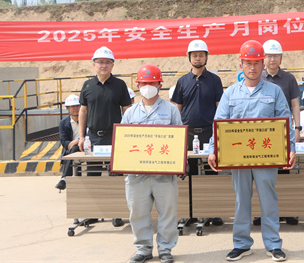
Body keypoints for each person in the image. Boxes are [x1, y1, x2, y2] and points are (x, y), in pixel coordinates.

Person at [208, 40, 296, 262]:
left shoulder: (275, 91)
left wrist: (291, 148)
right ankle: (241, 244)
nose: (253, 67)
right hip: (238, 158)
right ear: (241, 65)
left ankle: (273, 244)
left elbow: (285, 121)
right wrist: (213, 149)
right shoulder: (231, 93)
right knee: (241, 201)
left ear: (263, 64)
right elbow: (219, 123)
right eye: (248, 63)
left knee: (268, 200)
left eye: (257, 63)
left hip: (267, 157)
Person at [122, 64, 183, 263]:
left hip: (164, 174)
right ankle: (143, 248)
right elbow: (123, 142)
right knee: (137, 213)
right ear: (138, 85)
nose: (148, 86)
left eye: (152, 82)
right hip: (136, 175)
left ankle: (165, 249)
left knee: (168, 213)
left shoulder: (171, 110)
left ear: (159, 85)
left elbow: (179, 140)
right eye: (144, 83)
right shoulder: (130, 113)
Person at [171, 39, 223, 176]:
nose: (198, 58)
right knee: (190, 171)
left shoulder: (215, 80)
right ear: (189, 57)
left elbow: (219, 107)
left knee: (211, 168)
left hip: (209, 133)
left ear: (206, 57)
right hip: (188, 133)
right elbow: (177, 107)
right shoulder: (182, 81)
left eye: (201, 55)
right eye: (194, 55)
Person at [78, 46, 132, 175]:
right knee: (93, 174)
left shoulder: (120, 85)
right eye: (100, 62)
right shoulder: (87, 85)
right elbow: (83, 111)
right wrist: (81, 137)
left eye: (108, 62)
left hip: (114, 136)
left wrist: (127, 134)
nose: (104, 65)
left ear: (112, 65)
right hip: (93, 137)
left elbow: (127, 110)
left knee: (115, 173)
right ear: (94, 64)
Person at [261, 40, 302, 141]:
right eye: (269, 56)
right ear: (263, 58)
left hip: (284, 128)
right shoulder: (258, 79)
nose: (272, 59)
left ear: (281, 58)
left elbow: (295, 105)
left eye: (276, 56)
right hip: (263, 128)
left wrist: (297, 128)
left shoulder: (289, 78)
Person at [55, 94, 82, 190]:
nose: (76, 108)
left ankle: (64, 178)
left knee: (74, 149)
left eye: (78, 106)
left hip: (86, 147)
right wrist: (72, 144)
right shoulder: (63, 123)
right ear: (67, 109)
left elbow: (90, 135)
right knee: (74, 149)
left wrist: (78, 140)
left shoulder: (88, 120)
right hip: (71, 149)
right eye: (73, 106)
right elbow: (64, 141)